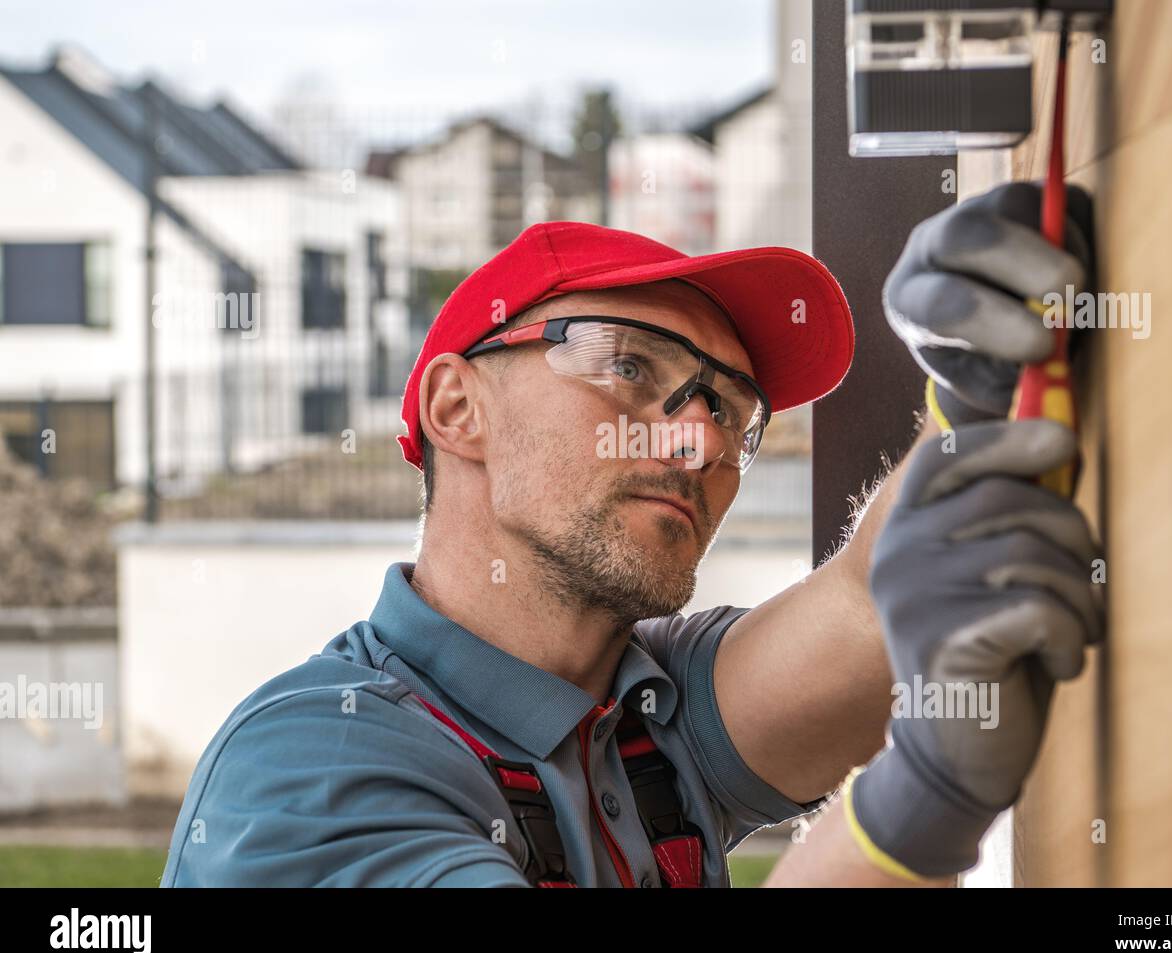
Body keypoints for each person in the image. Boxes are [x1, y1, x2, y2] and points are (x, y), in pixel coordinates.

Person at [162, 182, 1101, 887]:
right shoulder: (309, 773)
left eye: (732, 411)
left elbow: (867, 606)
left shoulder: (643, 709)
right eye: (626, 365)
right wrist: (912, 813)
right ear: (458, 406)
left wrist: (976, 393)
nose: (699, 439)